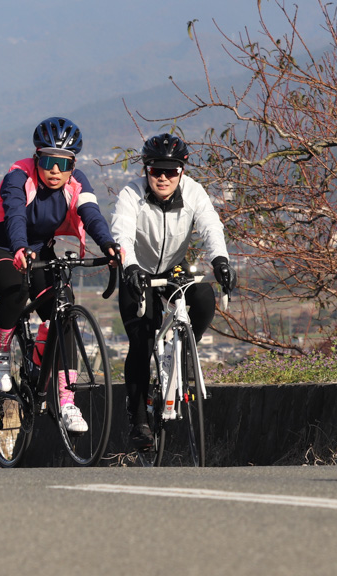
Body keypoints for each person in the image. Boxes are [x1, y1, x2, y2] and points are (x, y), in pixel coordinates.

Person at [0, 117, 120, 434]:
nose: (54, 171)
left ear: (72, 165)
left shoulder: (78, 183)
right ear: (37, 159)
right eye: (48, 161)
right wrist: (20, 248)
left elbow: (90, 213)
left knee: (63, 314)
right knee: (15, 291)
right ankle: (0, 353)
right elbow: (15, 215)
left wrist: (107, 244)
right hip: (3, 248)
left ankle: (66, 401)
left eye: (62, 164)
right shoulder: (18, 176)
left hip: (41, 250)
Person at [109, 133, 234, 450]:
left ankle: (186, 351)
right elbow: (121, 231)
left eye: (171, 171)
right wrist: (130, 267)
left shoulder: (194, 192)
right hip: (136, 270)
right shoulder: (131, 194)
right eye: (155, 171)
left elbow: (210, 225)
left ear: (182, 170)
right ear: (145, 170)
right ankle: (138, 422)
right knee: (142, 341)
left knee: (204, 296)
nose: (162, 177)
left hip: (174, 268)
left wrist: (220, 260)